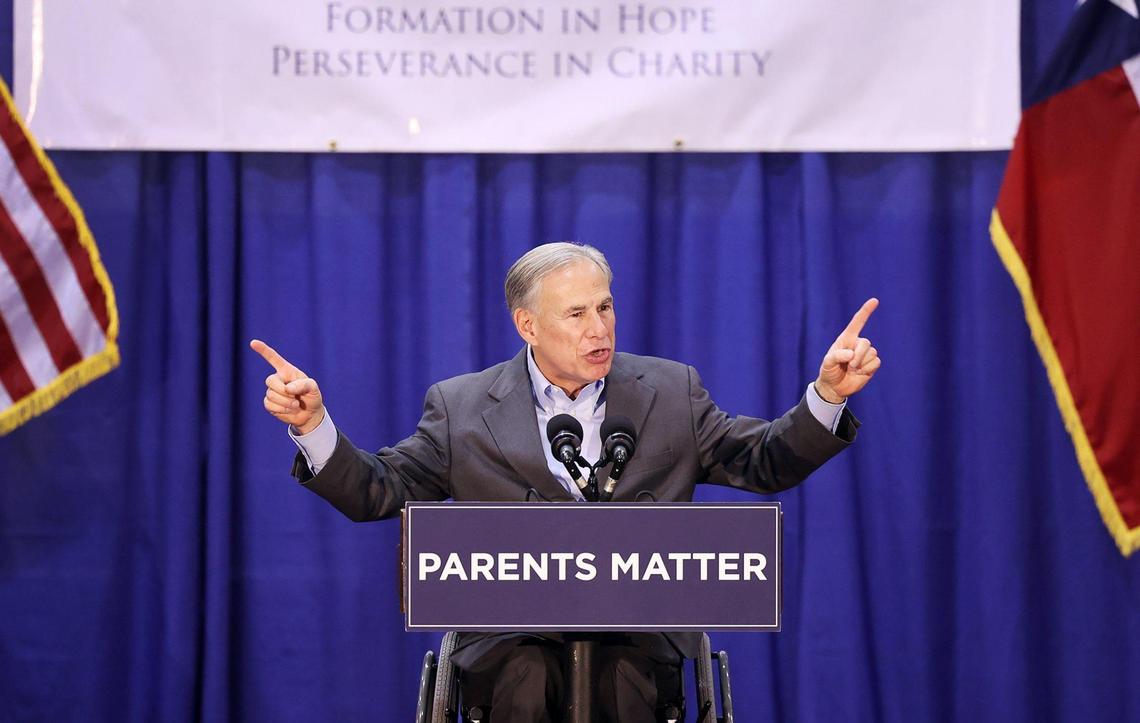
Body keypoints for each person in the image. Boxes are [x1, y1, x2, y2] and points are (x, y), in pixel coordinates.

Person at [252, 242, 880, 722]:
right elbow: (379, 489)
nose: (598, 329)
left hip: (638, 630)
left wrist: (826, 397)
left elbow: (765, 460)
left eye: (605, 307)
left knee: (626, 682)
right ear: (528, 326)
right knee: (523, 679)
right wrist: (314, 427)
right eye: (576, 313)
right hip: (509, 635)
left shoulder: (671, 392)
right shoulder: (462, 406)